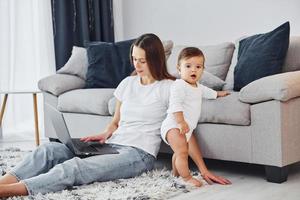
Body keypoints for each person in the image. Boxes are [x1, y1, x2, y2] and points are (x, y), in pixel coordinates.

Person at [0, 34, 229, 198]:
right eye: (134, 59)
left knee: (74, 168)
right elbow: (116, 121)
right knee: (49, 150)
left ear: (156, 59)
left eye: (142, 60)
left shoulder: (172, 87)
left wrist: (203, 168)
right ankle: (3, 182)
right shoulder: (127, 83)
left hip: (138, 154)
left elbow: (185, 129)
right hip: (112, 144)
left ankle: (8, 192)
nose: (136, 65)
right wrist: (104, 134)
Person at [161, 47, 231, 187]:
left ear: (203, 70)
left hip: (185, 128)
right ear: (179, 68)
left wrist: (218, 94)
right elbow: (175, 105)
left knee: (179, 152)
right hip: (174, 126)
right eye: (188, 66)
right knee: (182, 152)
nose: (193, 70)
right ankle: (186, 178)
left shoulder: (198, 87)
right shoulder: (179, 85)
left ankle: (175, 174)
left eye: (198, 67)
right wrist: (180, 122)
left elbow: (209, 92)